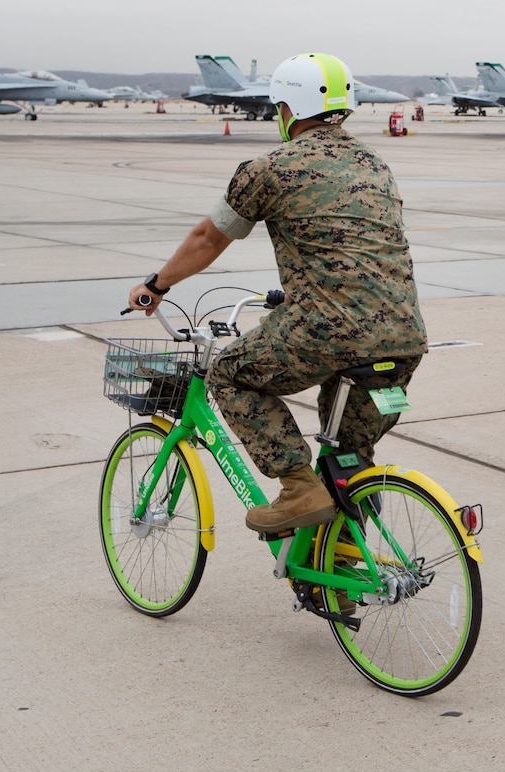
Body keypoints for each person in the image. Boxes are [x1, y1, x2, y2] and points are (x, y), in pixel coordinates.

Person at [127, 52, 427, 535]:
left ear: (288, 109)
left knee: (229, 374)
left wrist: (156, 286)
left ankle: (295, 487)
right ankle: (341, 578)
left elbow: (208, 238)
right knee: (347, 466)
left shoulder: (271, 167)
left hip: (327, 332)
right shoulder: (375, 163)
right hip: (404, 337)